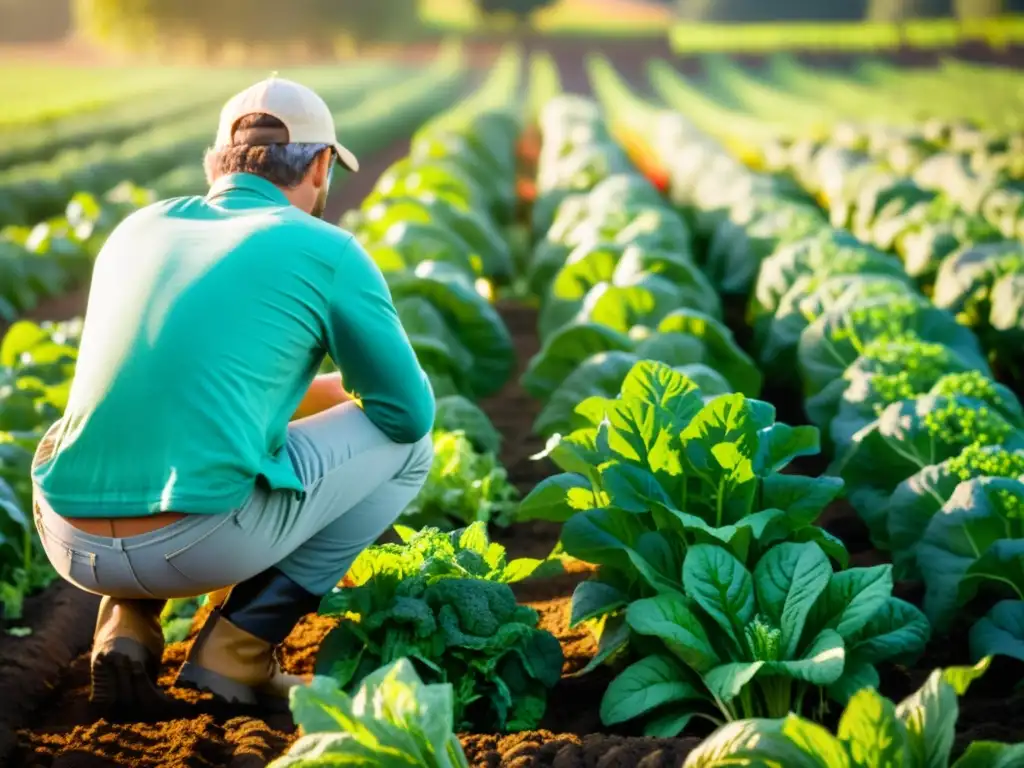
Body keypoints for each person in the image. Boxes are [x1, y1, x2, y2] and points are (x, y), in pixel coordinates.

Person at [30, 76, 436, 713]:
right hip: (200, 540)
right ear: (323, 164)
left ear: (215, 162)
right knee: (410, 447)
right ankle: (235, 652)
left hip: (68, 538)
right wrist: (337, 398)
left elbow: (174, 383)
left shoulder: (136, 230)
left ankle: (126, 623)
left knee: (149, 421)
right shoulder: (326, 248)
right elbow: (407, 412)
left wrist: (308, 398)